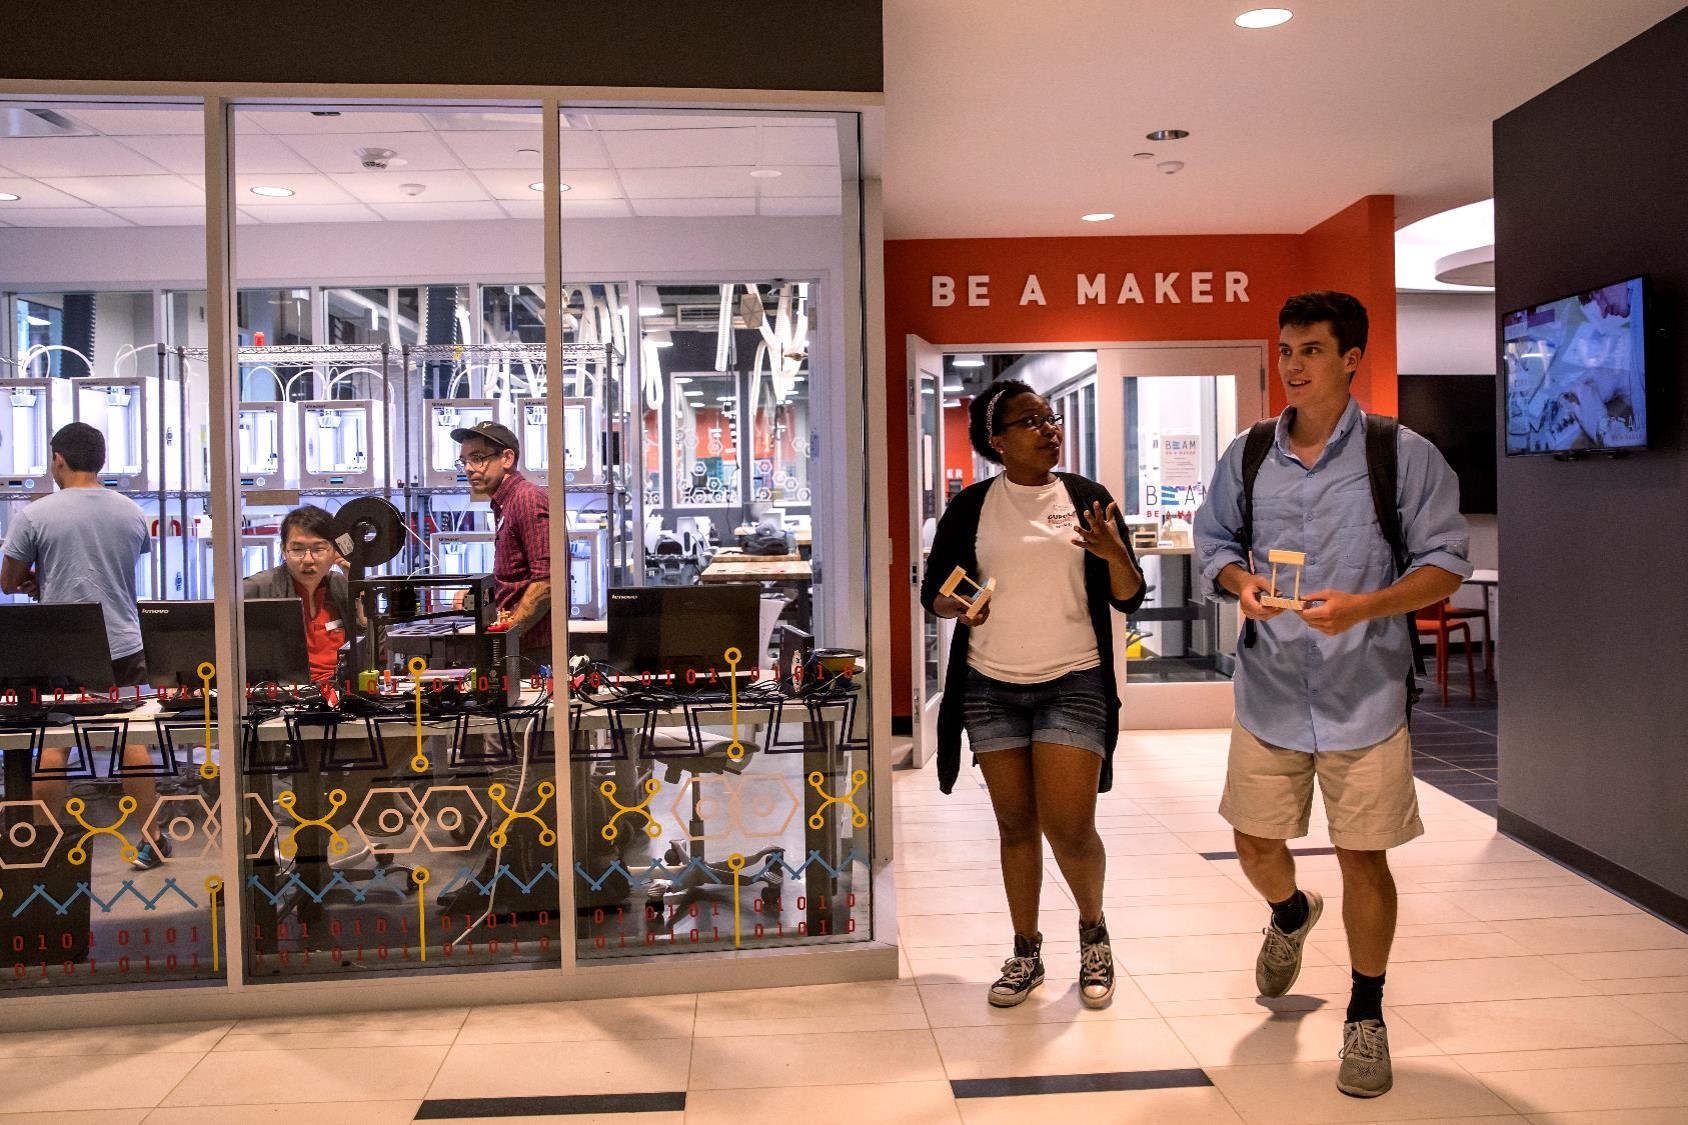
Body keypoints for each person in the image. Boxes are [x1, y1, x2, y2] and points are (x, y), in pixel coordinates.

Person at [1192, 291, 1470, 1098]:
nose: (1292, 366)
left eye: (1311, 350)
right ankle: (1287, 912)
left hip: (1366, 690)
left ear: (1352, 358)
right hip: (1271, 684)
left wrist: (1366, 605)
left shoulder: (1401, 454)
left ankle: (1367, 1009)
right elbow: (1215, 543)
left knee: (1363, 855)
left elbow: (1445, 561)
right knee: (1252, 842)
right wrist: (1241, 581)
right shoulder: (1247, 454)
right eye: (1285, 350)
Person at [920, 380, 1145, 1010]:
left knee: (1070, 829)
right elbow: (936, 592)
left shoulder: (1087, 500)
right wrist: (959, 609)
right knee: (1016, 827)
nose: (1048, 429)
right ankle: (1026, 951)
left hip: (1073, 679)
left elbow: (1128, 594)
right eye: (1029, 422)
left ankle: (1094, 935)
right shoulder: (971, 508)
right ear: (998, 442)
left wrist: (1113, 553)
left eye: (1049, 418)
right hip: (991, 687)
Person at [0, 422, 166, 870]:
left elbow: (9, 580)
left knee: (54, 745)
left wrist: (41, 580)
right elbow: (119, 567)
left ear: (58, 458)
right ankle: (150, 840)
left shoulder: (34, 515)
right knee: (132, 739)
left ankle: (40, 845)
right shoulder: (131, 512)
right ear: (102, 460)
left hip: (62, 649)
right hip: (124, 641)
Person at [450, 419, 551, 673]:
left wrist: (505, 635)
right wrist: (483, 595)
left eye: (477, 458)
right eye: (463, 461)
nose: (469, 469)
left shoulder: (527, 499)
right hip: (519, 648)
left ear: (507, 458)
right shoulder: (505, 504)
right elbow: (517, 576)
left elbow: (547, 582)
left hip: (530, 653)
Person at [243, 505, 352, 688]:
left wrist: (357, 585)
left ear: (335, 551)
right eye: (297, 549)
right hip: (283, 696)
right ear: (284, 551)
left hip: (341, 691)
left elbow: (375, 649)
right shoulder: (256, 589)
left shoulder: (341, 586)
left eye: (318, 549)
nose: (308, 559)